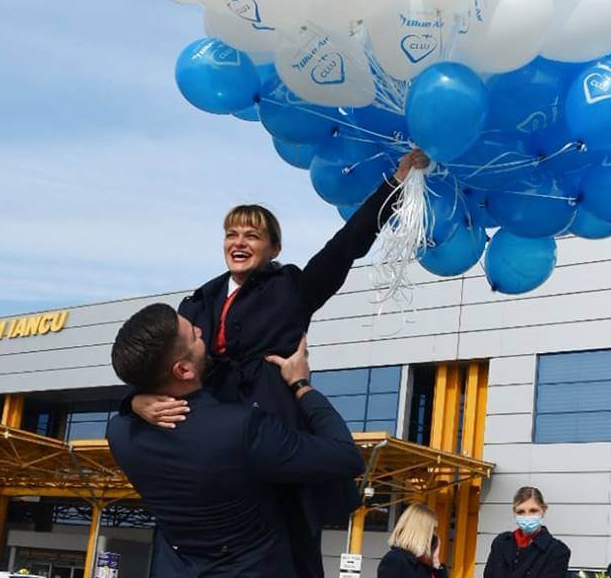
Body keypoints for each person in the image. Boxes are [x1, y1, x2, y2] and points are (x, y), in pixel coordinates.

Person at [131, 148, 428, 576]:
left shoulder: (291, 289)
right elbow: (155, 361)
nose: (239, 242)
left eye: (252, 235)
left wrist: (394, 186)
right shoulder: (194, 303)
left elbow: (345, 246)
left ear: (273, 247)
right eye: (232, 234)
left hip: (270, 433)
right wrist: (138, 399)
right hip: (210, 439)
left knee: (287, 540)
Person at [106, 303, 365, 578]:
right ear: (183, 370)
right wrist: (302, 385)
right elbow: (345, 456)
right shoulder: (241, 428)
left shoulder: (121, 434)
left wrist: (133, 399)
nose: (200, 329)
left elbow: (134, 397)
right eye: (194, 336)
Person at [483, 486, 570, 578]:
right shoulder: (501, 543)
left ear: (543, 510)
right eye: (521, 512)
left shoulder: (558, 551)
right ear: (514, 513)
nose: (527, 516)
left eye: (533, 511)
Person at [377, 503, 448, 578]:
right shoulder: (395, 559)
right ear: (420, 531)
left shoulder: (425, 564)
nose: (434, 534)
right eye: (432, 529)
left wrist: (436, 560)